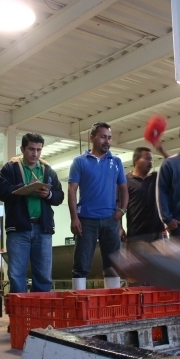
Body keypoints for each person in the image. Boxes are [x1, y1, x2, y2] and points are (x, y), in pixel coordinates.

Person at [0, 133, 64, 293]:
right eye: (31, 149)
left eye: (38, 150)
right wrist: (25, 188)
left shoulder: (48, 171)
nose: (35, 154)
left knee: (44, 275)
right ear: (22, 149)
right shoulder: (10, 168)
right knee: (16, 274)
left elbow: (59, 195)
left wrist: (48, 195)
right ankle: (20, 314)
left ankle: (39, 313)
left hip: (43, 228)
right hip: (18, 229)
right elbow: (2, 192)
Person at [68, 122, 128, 290]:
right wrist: (74, 218)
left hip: (110, 220)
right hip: (86, 220)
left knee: (113, 264)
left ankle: (113, 304)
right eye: (103, 137)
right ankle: (78, 300)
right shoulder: (79, 162)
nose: (107, 141)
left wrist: (122, 210)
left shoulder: (116, 161)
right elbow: (72, 190)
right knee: (81, 264)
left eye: (109, 138)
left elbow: (123, 188)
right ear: (92, 137)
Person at [120, 147, 164, 245]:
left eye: (152, 159)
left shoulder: (155, 178)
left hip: (157, 233)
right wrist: (120, 228)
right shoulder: (125, 181)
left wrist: (162, 150)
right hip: (136, 233)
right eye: (147, 158)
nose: (151, 162)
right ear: (136, 160)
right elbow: (119, 205)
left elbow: (173, 165)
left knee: (158, 261)